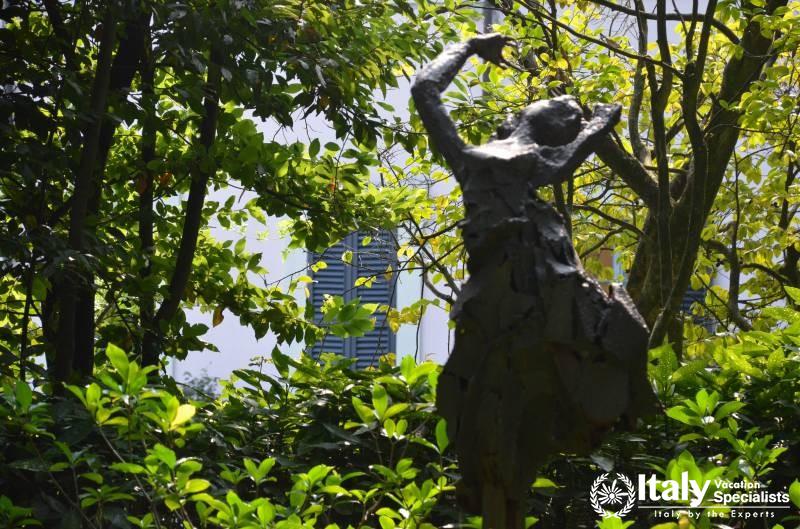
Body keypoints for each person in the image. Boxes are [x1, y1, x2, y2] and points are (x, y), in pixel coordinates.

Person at [411, 34, 656, 528]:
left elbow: (559, 162)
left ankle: (597, 409)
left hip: (542, 300)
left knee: (622, 330)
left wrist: (594, 128)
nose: (571, 110)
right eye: (566, 107)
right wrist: (469, 44)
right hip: (499, 301)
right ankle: (490, 470)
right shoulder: (479, 157)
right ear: (529, 114)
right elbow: (424, 89)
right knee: (490, 403)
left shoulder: (535, 173)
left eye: (574, 113)